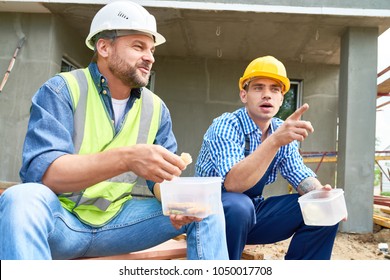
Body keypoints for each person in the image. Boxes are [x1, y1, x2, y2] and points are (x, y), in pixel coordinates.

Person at [0, 1, 228, 260]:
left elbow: (161, 180)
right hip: (62, 223)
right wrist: (127, 158)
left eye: (152, 49)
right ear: (104, 47)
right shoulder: (62, 90)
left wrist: (175, 203)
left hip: (120, 225)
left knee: (205, 207)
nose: (150, 57)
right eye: (138, 46)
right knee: (20, 199)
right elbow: (47, 175)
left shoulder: (156, 108)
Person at [195, 55, 340, 260]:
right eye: (258, 88)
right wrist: (273, 142)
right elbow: (233, 184)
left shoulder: (281, 130)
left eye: (274, 89)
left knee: (323, 210)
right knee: (239, 206)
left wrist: (321, 194)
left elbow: (299, 174)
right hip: (209, 215)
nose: (267, 95)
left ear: (281, 99)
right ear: (244, 95)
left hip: (251, 214)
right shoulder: (226, 125)